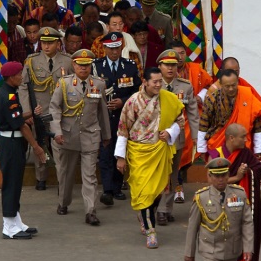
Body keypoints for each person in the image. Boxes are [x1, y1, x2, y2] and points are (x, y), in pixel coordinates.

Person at [114, 67, 184, 248]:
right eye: (155, 82)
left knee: (158, 192)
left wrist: (169, 132)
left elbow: (179, 120)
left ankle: (145, 217)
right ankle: (151, 231)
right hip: (139, 153)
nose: (158, 85)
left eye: (160, 81)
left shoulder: (168, 98)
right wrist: (120, 158)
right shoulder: (132, 102)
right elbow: (123, 129)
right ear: (144, 82)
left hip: (159, 151)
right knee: (144, 193)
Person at [50, 49, 111, 225]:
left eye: (86, 65)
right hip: (68, 135)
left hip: (91, 135)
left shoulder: (98, 84)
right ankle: (63, 202)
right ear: (73, 65)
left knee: (90, 175)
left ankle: (90, 211)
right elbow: (54, 108)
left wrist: (106, 134)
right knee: (66, 174)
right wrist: (57, 132)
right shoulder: (64, 83)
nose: (83, 68)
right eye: (79, 65)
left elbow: (102, 111)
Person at [0, 61, 47, 239]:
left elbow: (15, 116)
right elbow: (21, 126)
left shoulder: (9, 93)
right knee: (11, 184)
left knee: (16, 183)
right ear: (10, 77)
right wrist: (37, 147)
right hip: (11, 143)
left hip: (12, 143)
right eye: (18, 74)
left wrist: (31, 113)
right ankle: (9, 227)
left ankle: (15, 221)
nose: (21, 77)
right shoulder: (7, 96)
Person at [18, 27, 73, 191]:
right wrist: (27, 111)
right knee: (39, 143)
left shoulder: (68, 61)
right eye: (43, 43)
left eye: (50, 43)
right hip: (39, 110)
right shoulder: (32, 60)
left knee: (60, 147)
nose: (46, 46)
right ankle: (40, 177)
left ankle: (61, 180)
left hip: (60, 111)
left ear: (58, 43)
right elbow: (23, 86)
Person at [92, 32, 141, 206]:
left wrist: (123, 101)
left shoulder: (129, 66)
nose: (114, 52)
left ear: (122, 47)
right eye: (110, 48)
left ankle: (118, 187)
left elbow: (137, 91)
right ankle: (107, 189)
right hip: (104, 116)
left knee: (120, 151)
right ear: (104, 48)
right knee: (105, 152)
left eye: (117, 48)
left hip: (123, 116)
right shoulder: (96, 66)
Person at [207, 123, 261, 261]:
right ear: (231, 138)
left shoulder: (245, 153)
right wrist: (238, 176)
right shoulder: (215, 154)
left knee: (241, 237)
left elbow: (259, 169)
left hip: (239, 205)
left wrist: (248, 173)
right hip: (219, 206)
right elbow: (211, 181)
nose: (246, 139)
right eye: (243, 137)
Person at [184, 157, 254, 261]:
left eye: (224, 175)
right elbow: (193, 226)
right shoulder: (201, 197)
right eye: (217, 176)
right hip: (210, 249)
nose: (220, 179)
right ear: (210, 177)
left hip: (232, 248)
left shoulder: (239, 194)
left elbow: (247, 222)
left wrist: (248, 248)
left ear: (228, 175)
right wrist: (189, 252)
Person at [156, 49, 199, 225]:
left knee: (172, 175)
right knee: (159, 174)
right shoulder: (153, 84)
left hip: (177, 138)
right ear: (159, 66)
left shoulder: (185, 86)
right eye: (167, 65)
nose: (170, 68)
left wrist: (196, 137)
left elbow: (193, 114)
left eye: (173, 65)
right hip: (156, 138)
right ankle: (160, 208)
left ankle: (166, 209)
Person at [205, 57, 261, 160]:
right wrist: (201, 147)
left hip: (242, 144)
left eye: (236, 71)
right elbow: (205, 120)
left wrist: (259, 148)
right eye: (229, 71)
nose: (233, 74)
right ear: (222, 72)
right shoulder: (213, 92)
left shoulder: (246, 91)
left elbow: (257, 117)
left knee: (241, 173)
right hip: (219, 142)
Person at [168, 40, 213, 178]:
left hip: (192, 116)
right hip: (170, 119)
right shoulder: (165, 72)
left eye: (182, 53)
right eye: (176, 54)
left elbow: (210, 85)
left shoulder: (196, 69)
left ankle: (179, 179)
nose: (179, 57)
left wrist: (200, 96)